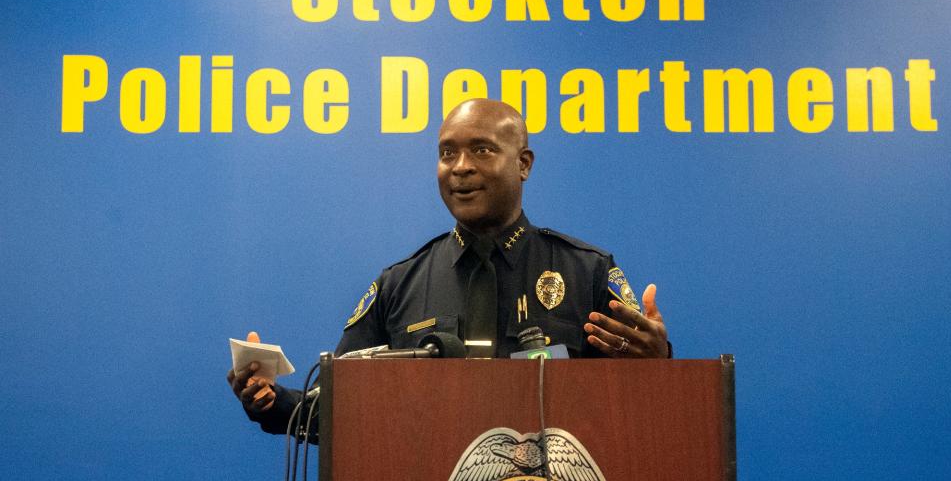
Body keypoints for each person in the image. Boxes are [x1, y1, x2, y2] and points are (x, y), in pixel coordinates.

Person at [228, 99, 670, 433]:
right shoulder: (399, 284)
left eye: (481, 150)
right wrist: (272, 402)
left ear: (523, 164)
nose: (460, 168)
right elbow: (343, 406)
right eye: (447, 153)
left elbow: (644, 406)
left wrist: (659, 362)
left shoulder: (586, 271)